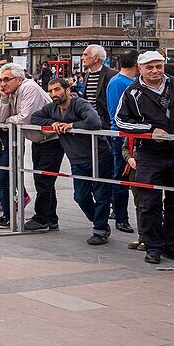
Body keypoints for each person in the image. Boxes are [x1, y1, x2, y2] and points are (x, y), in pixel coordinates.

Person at [114, 51, 174, 264]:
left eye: (159, 66)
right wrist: (149, 130)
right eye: (150, 67)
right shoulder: (132, 92)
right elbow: (120, 121)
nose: (155, 71)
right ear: (140, 68)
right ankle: (152, 246)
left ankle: (171, 245)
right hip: (149, 153)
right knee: (148, 202)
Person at [31, 77, 114, 245]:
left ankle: (100, 229)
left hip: (99, 156)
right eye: (51, 90)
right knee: (80, 196)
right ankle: (99, 220)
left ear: (67, 90)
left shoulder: (80, 104)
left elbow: (94, 121)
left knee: (101, 195)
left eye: (57, 90)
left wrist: (71, 125)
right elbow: (35, 118)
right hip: (76, 160)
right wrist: (54, 123)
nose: (54, 94)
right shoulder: (53, 109)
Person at [0, 63, 64, 232]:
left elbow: (26, 118)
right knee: (44, 180)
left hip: (52, 140)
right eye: (1, 80)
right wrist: (3, 99)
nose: (3, 84)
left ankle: (42, 218)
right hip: (38, 141)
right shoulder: (11, 93)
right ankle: (51, 218)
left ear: (18, 79)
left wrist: (8, 121)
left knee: (43, 181)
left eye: (6, 79)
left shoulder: (29, 88)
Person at [105, 49, 138, 238]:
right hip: (122, 136)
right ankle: (120, 216)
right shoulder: (118, 82)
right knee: (120, 176)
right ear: (135, 64)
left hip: (132, 135)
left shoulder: (132, 82)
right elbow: (117, 114)